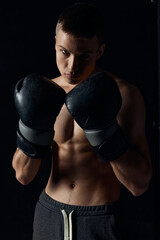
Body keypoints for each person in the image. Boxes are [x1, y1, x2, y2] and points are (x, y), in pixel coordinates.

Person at [12, 2, 152, 240]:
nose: (72, 66)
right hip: (49, 213)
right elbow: (23, 176)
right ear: (55, 42)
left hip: (99, 219)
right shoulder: (40, 93)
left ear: (100, 51)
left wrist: (105, 133)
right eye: (64, 52)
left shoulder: (124, 95)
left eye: (84, 55)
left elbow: (139, 185)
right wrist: (31, 128)